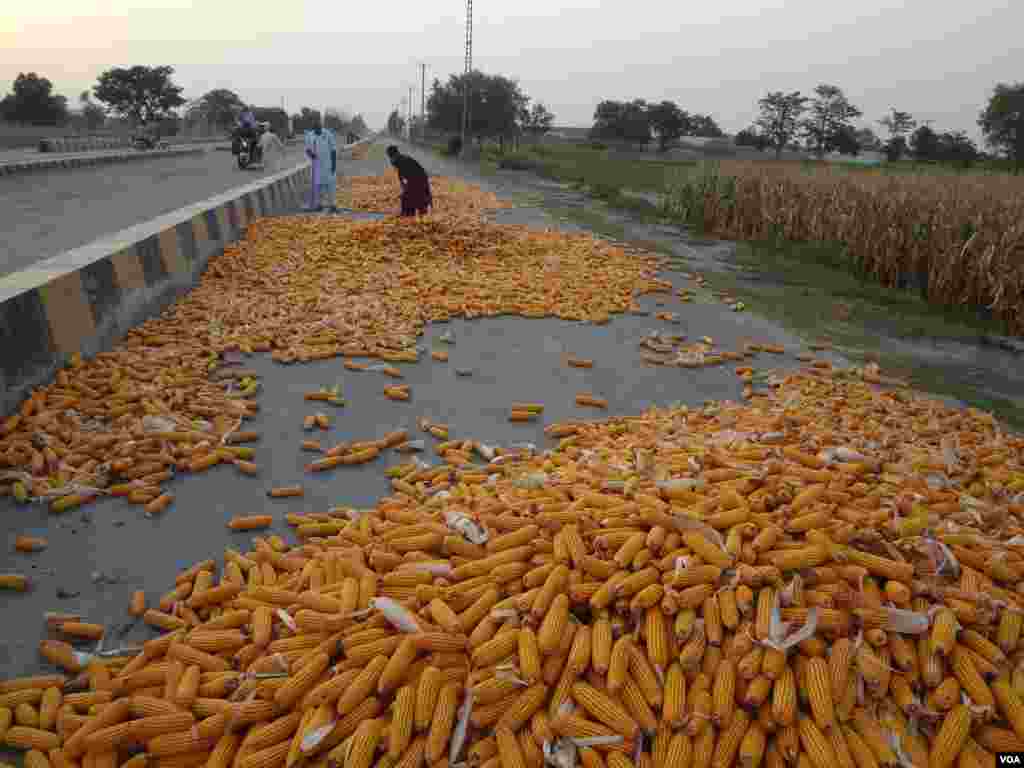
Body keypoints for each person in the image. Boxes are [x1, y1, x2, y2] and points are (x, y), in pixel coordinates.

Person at [386, 145, 432, 216]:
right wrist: (403, 185)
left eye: (390, 156)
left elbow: (413, 177)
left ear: (395, 154)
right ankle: (410, 214)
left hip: (419, 179)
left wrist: (406, 188)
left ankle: (412, 215)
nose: (390, 159)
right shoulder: (399, 160)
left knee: (412, 198)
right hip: (416, 179)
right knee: (409, 197)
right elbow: (400, 174)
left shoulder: (403, 160)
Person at [303, 118, 338, 213]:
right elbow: (307, 149)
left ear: (321, 127)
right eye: (316, 129)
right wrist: (311, 155)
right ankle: (319, 205)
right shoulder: (309, 136)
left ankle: (333, 205)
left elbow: (333, 150)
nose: (318, 131)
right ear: (313, 129)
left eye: (319, 129)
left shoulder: (328, 134)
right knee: (317, 185)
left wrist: (334, 164)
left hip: (328, 163)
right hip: (316, 164)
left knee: (330, 185)